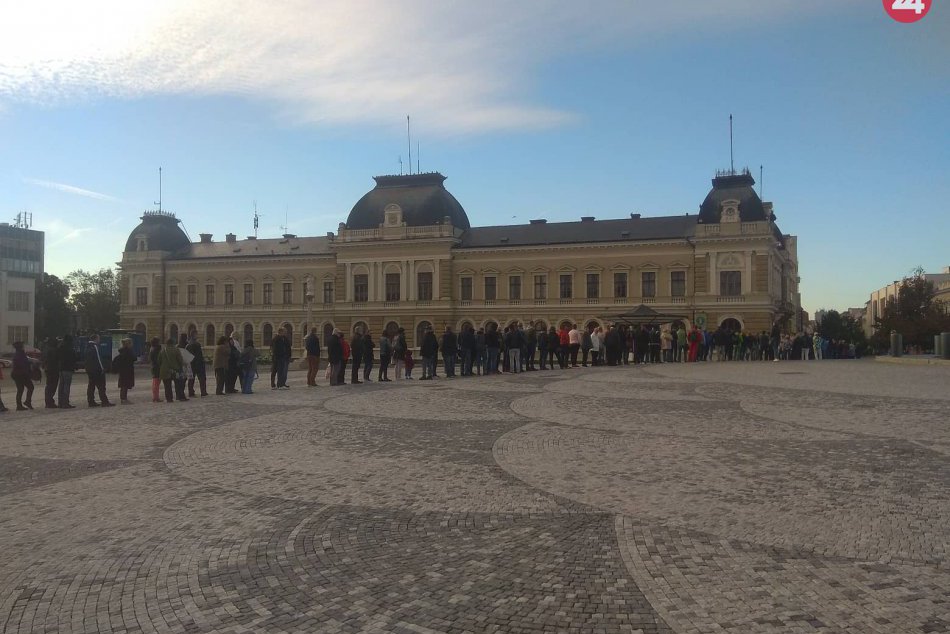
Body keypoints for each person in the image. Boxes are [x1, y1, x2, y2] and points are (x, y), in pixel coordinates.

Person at [85, 334, 114, 407]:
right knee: (101, 386)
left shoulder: (87, 346)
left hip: (90, 369)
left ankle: (91, 401)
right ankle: (104, 401)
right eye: (98, 339)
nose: (99, 340)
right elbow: (98, 359)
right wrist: (102, 368)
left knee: (91, 386)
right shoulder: (95, 347)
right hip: (96, 370)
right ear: (96, 339)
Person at [159, 338, 187, 402]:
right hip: (176, 370)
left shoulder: (162, 351)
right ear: (173, 343)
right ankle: (179, 396)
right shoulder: (176, 350)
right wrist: (181, 367)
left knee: (167, 385)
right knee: (178, 384)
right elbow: (180, 360)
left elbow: (159, 361)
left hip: (165, 370)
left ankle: (169, 398)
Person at [11, 341, 35, 410]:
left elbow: (24, 362)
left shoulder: (18, 353)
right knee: (29, 387)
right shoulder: (20, 353)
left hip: (17, 374)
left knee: (21, 389)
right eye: (22, 345)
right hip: (21, 374)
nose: (23, 346)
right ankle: (25, 403)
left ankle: (21, 404)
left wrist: (29, 363)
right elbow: (23, 364)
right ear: (20, 346)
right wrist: (30, 364)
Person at [56, 335, 76, 409]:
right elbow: (74, 357)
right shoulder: (70, 348)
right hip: (68, 368)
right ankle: (65, 403)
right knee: (67, 386)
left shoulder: (60, 347)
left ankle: (60, 402)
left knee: (61, 385)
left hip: (61, 368)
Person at [114, 338, 136, 404]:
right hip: (127, 370)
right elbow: (134, 358)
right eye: (131, 343)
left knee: (123, 385)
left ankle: (123, 399)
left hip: (123, 370)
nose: (132, 344)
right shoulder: (128, 351)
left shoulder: (123, 351)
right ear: (128, 344)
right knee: (125, 385)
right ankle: (124, 399)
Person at [41, 337, 61, 408]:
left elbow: (43, 359)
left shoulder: (46, 349)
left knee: (48, 385)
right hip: (54, 369)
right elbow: (58, 359)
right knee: (52, 386)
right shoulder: (55, 350)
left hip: (48, 369)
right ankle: (50, 402)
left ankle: (48, 401)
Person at [149, 337, 163, 402]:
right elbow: (158, 359)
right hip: (157, 368)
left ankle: (155, 397)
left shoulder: (152, 349)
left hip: (154, 367)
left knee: (155, 383)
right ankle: (156, 397)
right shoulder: (156, 349)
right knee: (156, 383)